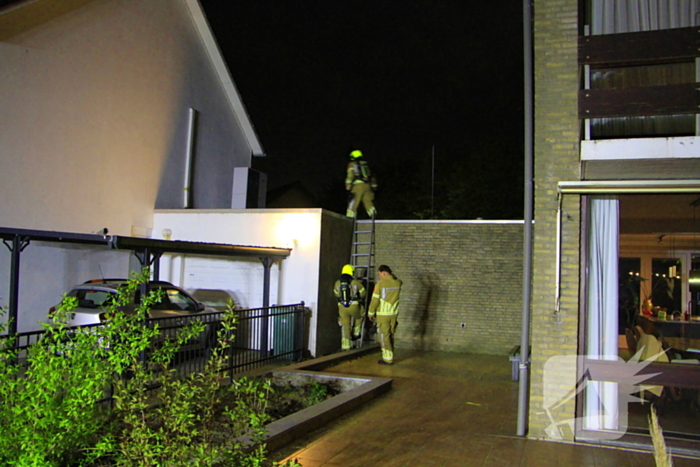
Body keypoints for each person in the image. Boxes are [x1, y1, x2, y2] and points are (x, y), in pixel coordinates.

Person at [368, 264, 402, 365]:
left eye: (380, 274)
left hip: (383, 314)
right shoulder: (398, 283)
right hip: (394, 313)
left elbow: (375, 300)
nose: (380, 277)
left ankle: (387, 358)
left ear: (383, 273)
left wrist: (370, 312)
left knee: (383, 336)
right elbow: (397, 280)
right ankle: (390, 355)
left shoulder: (380, 284)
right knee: (390, 334)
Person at [334, 264, 366, 351]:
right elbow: (363, 293)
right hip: (354, 306)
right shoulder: (356, 283)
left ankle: (345, 346)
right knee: (359, 316)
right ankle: (356, 333)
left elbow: (336, 294)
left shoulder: (337, 283)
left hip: (341, 307)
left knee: (345, 325)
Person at [345, 149, 377, 218]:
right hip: (368, 186)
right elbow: (372, 176)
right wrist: (374, 186)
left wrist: (348, 184)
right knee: (368, 202)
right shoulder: (366, 165)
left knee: (353, 202)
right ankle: (373, 216)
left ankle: (349, 218)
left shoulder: (352, 164)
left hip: (358, 186)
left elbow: (350, 175)